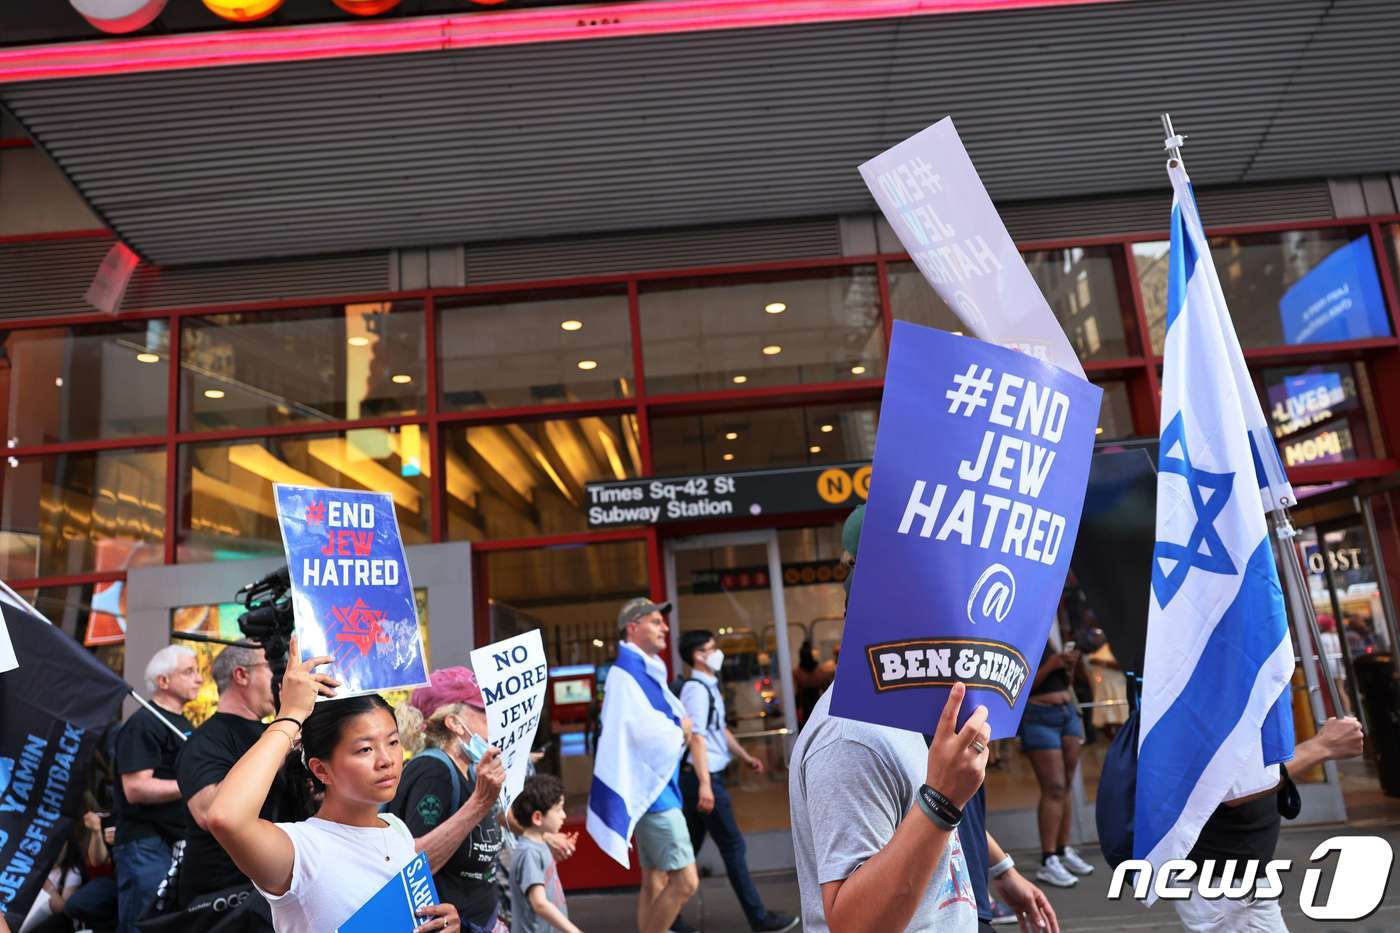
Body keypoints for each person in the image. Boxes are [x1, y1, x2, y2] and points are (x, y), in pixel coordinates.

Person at [206, 635, 459, 933]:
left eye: (392, 742)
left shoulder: (398, 830)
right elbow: (225, 817)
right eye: (365, 749)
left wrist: (443, 922)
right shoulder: (301, 852)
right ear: (321, 770)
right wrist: (290, 716)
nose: (386, 760)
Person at [791, 681, 987, 931]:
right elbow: (855, 925)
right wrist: (942, 801)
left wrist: (1002, 866)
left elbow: (911, 813)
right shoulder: (850, 735)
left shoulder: (892, 708)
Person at [1176, 715, 1364, 931]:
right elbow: (1229, 787)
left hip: (1234, 879)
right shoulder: (1208, 692)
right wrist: (1321, 747)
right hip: (1226, 881)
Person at [675, 629, 796, 933]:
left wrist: (743, 756)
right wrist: (705, 784)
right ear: (697, 656)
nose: (717, 653)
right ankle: (759, 919)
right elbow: (698, 738)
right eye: (711, 648)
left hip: (700, 778)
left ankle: (666, 918)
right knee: (732, 846)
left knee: (685, 851)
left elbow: (719, 731)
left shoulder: (708, 686)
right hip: (703, 779)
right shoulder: (696, 690)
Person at [601, 597, 708, 933]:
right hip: (656, 794)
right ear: (633, 628)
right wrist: (682, 729)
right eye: (655, 622)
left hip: (653, 790)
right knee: (686, 881)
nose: (664, 628)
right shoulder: (628, 673)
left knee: (655, 878)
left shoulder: (639, 670)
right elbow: (641, 731)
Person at [389, 667, 509, 933]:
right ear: (454, 723)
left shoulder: (469, 771)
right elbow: (415, 864)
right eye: (483, 711)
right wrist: (479, 802)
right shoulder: (434, 772)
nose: (494, 719)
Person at [174, 644, 282, 910]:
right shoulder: (206, 740)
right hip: (227, 901)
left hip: (276, 890)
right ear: (241, 675)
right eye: (270, 668)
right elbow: (209, 811)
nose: (279, 679)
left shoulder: (273, 732)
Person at [112, 645, 201, 932]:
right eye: (189, 671)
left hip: (174, 842)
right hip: (146, 844)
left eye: (198, 671)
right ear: (163, 681)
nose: (199, 678)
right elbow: (136, 788)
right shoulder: (144, 723)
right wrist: (194, 784)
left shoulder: (183, 722)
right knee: (145, 924)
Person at [1019, 641, 1095, 888]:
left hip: (1067, 713)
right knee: (1054, 787)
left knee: (1066, 786)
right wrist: (1052, 665)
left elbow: (1066, 683)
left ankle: (1062, 850)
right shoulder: (1020, 635)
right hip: (1038, 716)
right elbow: (1017, 688)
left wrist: (1067, 667)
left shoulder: (1048, 639)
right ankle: (1048, 859)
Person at [507, 775, 580, 933]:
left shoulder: (538, 845)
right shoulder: (529, 853)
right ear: (538, 817)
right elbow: (539, 903)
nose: (564, 815)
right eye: (559, 809)